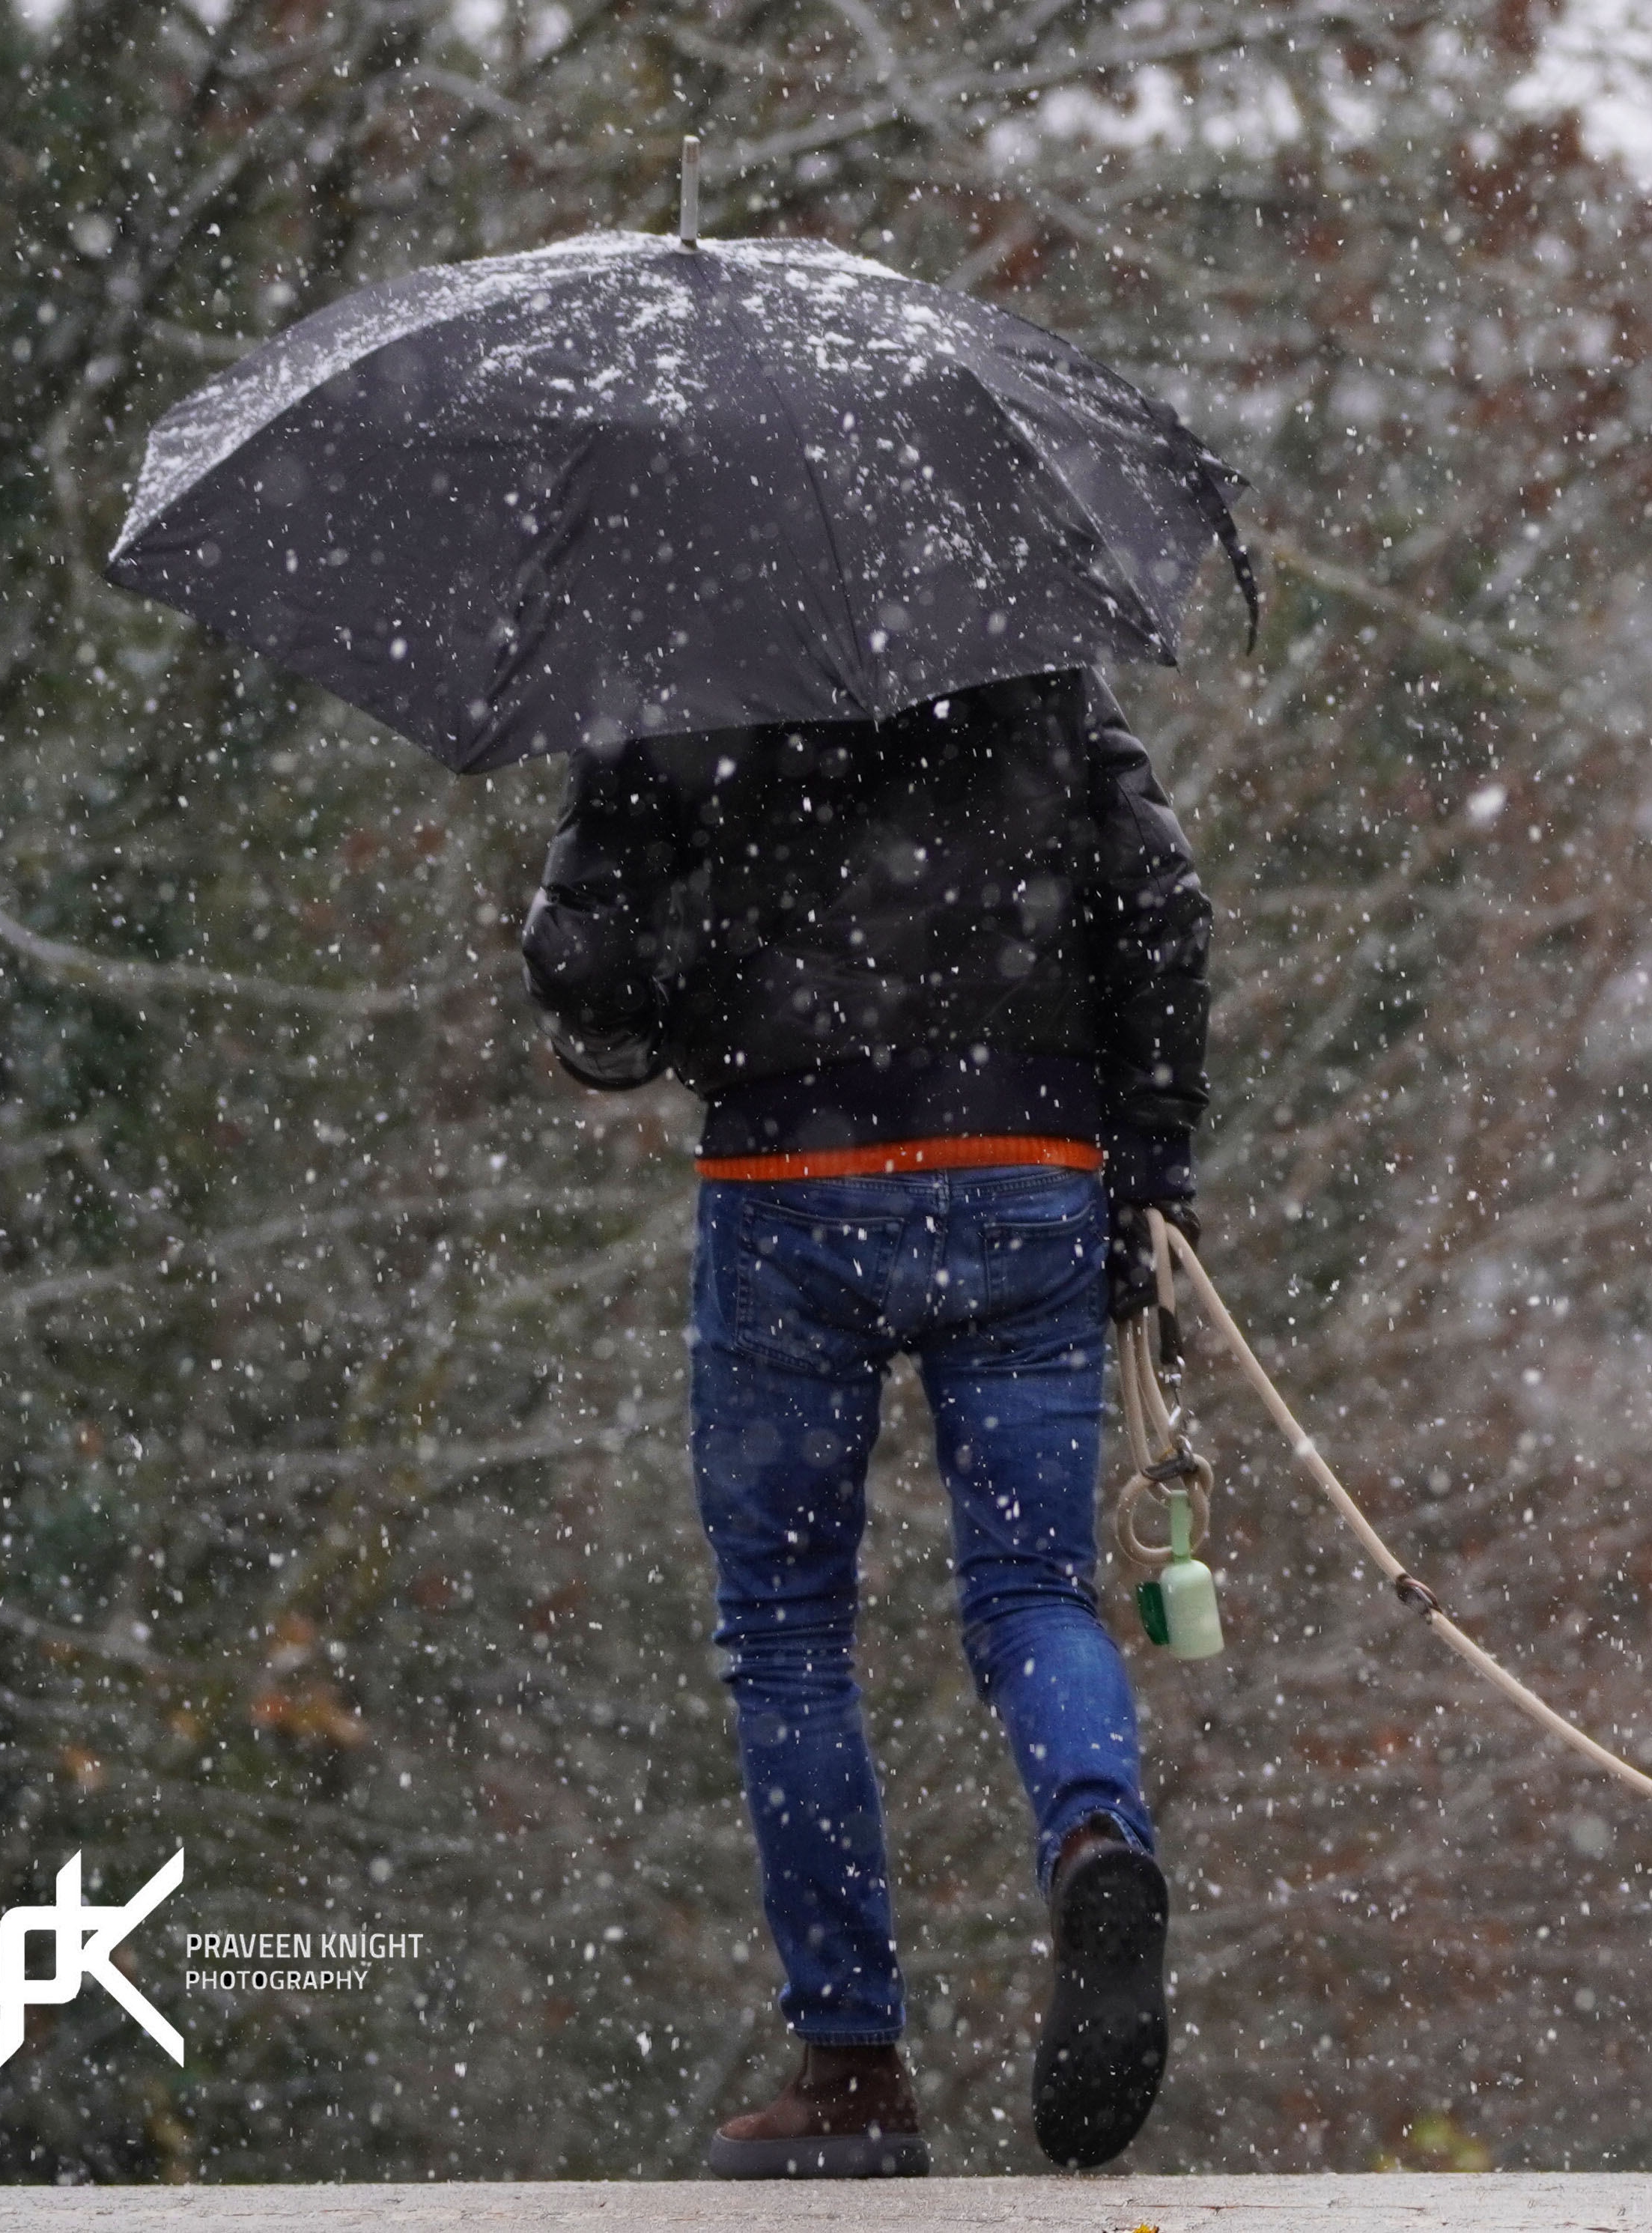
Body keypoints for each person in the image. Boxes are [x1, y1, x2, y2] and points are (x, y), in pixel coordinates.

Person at [519, 666, 1206, 2178]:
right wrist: (1150, 1163)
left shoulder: (675, 651)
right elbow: (1160, 904)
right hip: (1024, 1157)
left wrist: (692, 987)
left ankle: (851, 2071)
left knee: (786, 1631)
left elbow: (583, 962)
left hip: (790, 1178)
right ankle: (1096, 1839)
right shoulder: (1025, 645)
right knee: (1032, 1591)